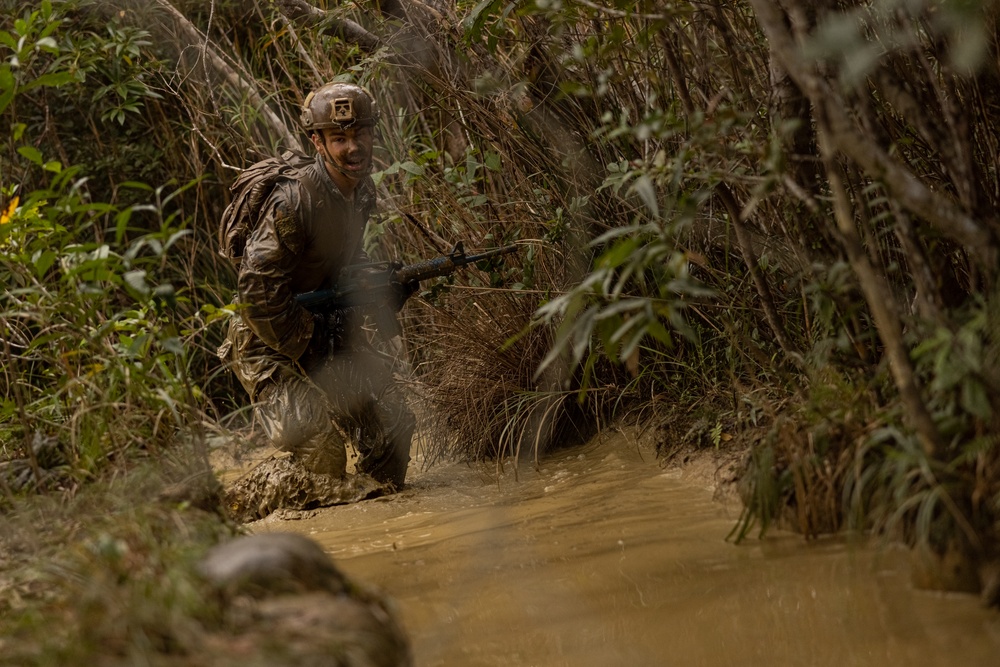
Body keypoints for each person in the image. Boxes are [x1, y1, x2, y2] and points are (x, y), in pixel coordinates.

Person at [218, 81, 415, 494]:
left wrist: (379, 286)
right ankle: (247, 503)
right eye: (339, 138)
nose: (353, 147)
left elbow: (342, 263)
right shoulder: (293, 202)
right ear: (317, 142)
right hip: (267, 342)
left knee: (392, 424)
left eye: (360, 134)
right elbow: (256, 291)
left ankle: (379, 511)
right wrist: (310, 342)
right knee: (320, 452)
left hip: (324, 331)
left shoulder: (361, 192)